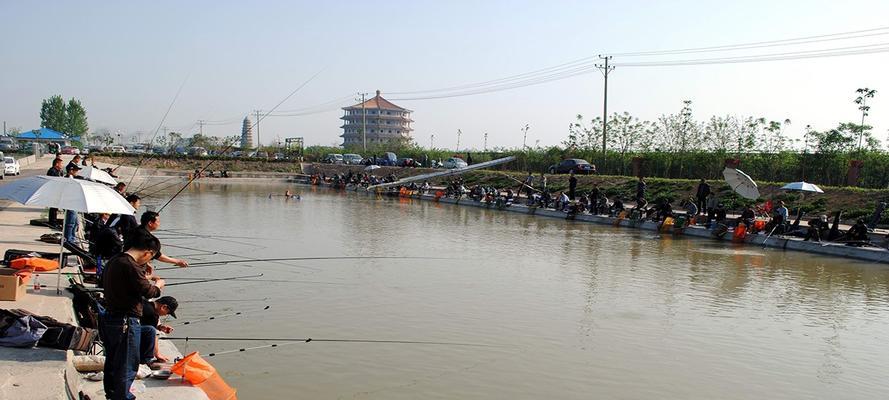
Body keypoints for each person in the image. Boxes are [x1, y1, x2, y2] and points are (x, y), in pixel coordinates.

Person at [99, 230, 164, 400]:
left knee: (113, 362)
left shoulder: (115, 260)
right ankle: (123, 397)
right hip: (126, 321)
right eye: (151, 257)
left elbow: (130, 283)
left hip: (110, 318)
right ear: (148, 252)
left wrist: (143, 272)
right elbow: (148, 290)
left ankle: (112, 395)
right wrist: (158, 284)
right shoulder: (130, 266)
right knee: (127, 364)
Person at [139, 296, 178, 365]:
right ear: (164, 307)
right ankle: (145, 360)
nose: (165, 315)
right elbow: (154, 335)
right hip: (129, 333)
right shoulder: (153, 315)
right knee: (151, 331)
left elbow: (144, 323)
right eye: (168, 313)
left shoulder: (145, 303)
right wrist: (157, 354)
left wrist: (160, 327)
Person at [63, 165, 83, 244]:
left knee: (75, 222)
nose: (77, 172)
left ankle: (72, 237)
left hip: (73, 203)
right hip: (69, 203)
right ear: (71, 171)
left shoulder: (72, 178)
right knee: (70, 222)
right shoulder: (67, 179)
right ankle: (69, 239)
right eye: (76, 170)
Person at [46, 158, 65, 226]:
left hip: (56, 191)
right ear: (57, 164)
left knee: (55, 207)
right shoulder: (52, 171)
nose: (62, 165)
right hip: (53, 191)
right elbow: (55, 181)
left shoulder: (57, 171)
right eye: (61, 164)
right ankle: (52, 221)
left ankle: (54, 220)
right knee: (53, 207)